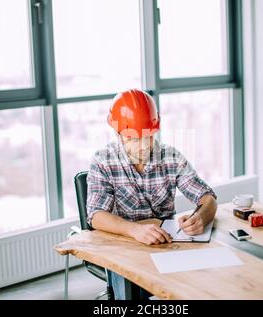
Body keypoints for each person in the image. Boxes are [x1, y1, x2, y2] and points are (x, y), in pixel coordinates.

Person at [86, 89, 217, 299]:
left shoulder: (171, 157)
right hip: (125, 249)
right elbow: (96, 215)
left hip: (168, 245)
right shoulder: (103, 161)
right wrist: (134, 230)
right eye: (133, 139)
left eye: (148, 137)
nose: (143, 146)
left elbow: (207, 197)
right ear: (117, 133)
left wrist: (200, 217)